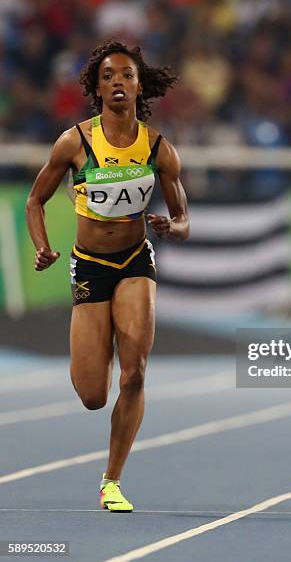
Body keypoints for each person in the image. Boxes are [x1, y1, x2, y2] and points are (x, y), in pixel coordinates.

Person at [25, 40, 189, 510]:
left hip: (136, 261)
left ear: (140, 86)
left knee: (135, 372)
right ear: (97, 88)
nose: (118, 83)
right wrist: (43, 247)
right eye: (108, 76)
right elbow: (35, 200)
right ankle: (93, 348)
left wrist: (169, 226)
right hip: (90, 267)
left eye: (127, 76)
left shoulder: (158, 148)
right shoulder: (74, 142)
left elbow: (183, 220)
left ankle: (112, 480)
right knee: (93, 394)